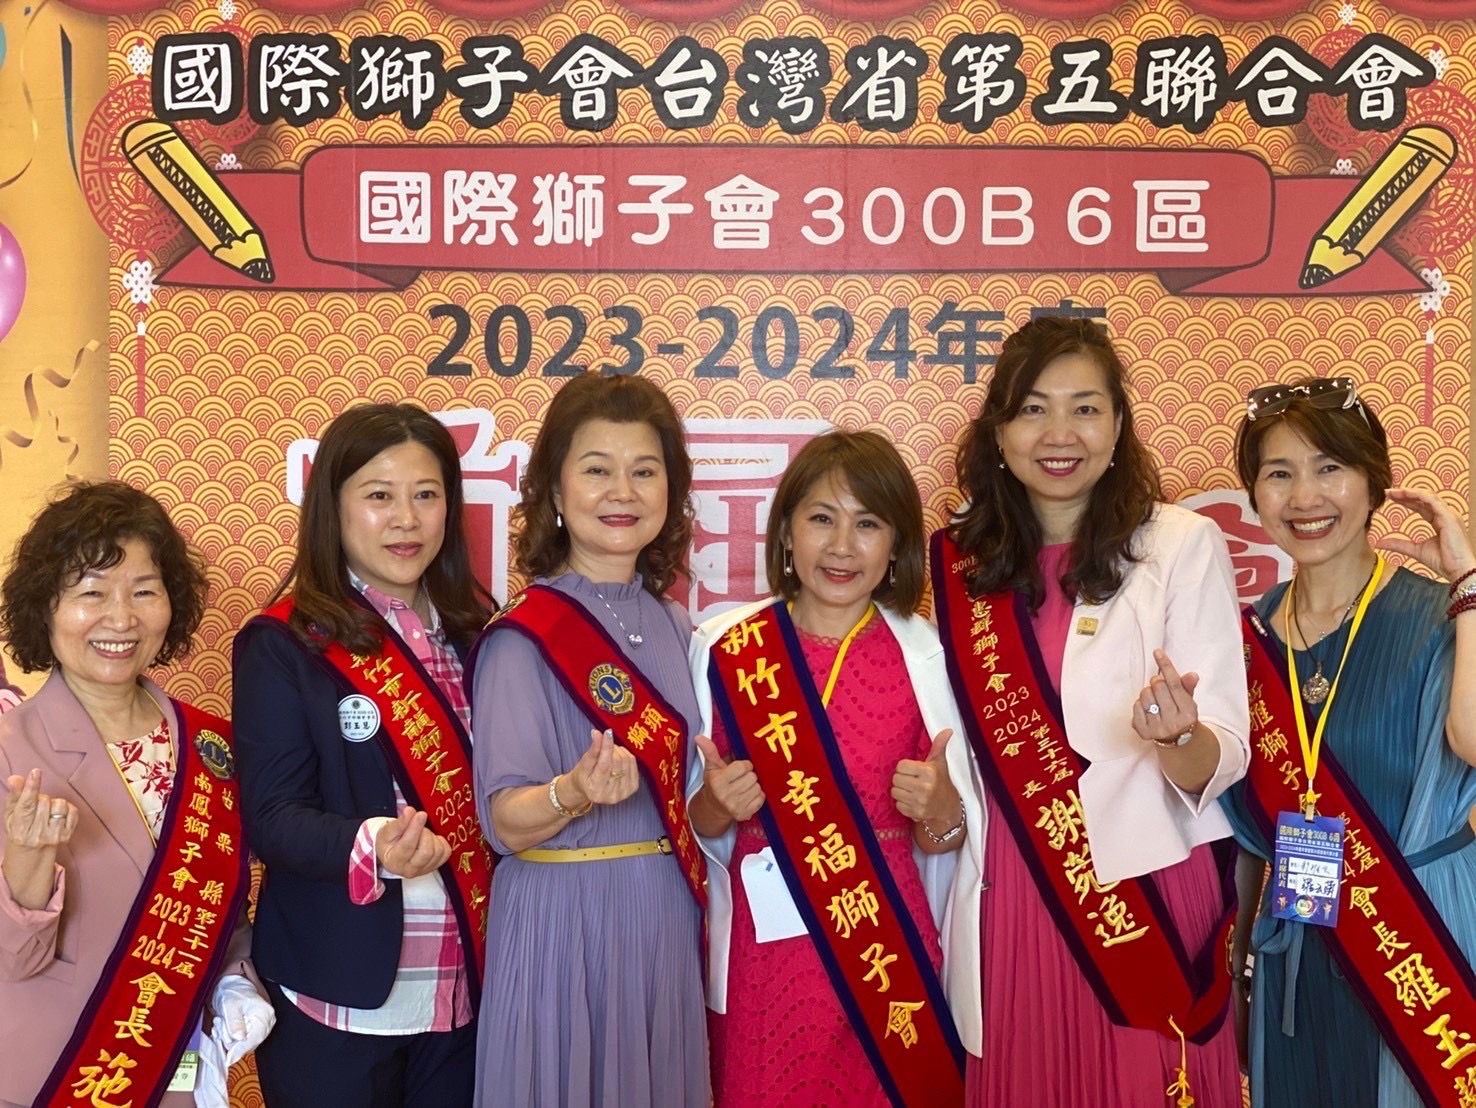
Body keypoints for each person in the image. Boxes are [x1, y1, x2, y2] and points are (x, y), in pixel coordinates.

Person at [933, 316, 1248, 1107]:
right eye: (1033, 410)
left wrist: (1180, 736)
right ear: (998, 431)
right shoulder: (960, 566)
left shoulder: (1178, 544)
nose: (1059, 434)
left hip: (1143, 891)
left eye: (1085, 408)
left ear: (1118, 426)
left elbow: (1224, 751)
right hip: (1014, 887)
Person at [688, 429, 974, 1107]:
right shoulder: (726, 647)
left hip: (886, 938)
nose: (842, 546)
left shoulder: (929, 656)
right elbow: (695, 824)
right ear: (787, 532)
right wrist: (717, 804)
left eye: (868, 524)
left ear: (897, 545)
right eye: (822, 518)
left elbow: (950, 839)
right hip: (764, 949)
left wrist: (941, 812)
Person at [1225, 376, 1476, 1108]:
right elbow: (1246, 823)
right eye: (1279, 473)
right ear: (1255, 495)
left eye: (1329, 467)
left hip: (1418, 939)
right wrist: (1237, 953)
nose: (1305, 497)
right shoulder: (1248, 636)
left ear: (1374, 483)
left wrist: (1468, 582)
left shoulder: (1440, 615)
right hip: (1296, 948)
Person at [233, 404, 494, 1107]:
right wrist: (374, 844)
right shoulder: (287, 643)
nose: (406, 519)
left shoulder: (479, 635)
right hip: (337, 993)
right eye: (379, 495)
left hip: (469, 984)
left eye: (426, 494)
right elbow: (272, 818)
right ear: (334, 507)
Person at [468, 373, 708, 1107]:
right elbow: (502, 822)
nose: (622, 492)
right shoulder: (522, 636)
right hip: (560, 921)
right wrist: (573, 792)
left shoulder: (677, 626)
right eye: (597, 470)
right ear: (554, 490)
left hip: (662, 916)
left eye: (645, 471)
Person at [0, 481, 271, 1108]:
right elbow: (12, 962)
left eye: (144, 591)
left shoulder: (212, 744)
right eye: (91, 593)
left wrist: (236, 980)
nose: (121, 619)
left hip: (178, 1069)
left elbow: (216, 901)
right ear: (45, 607)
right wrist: (27, 864)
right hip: (57, 1074)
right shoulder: (12, 750)